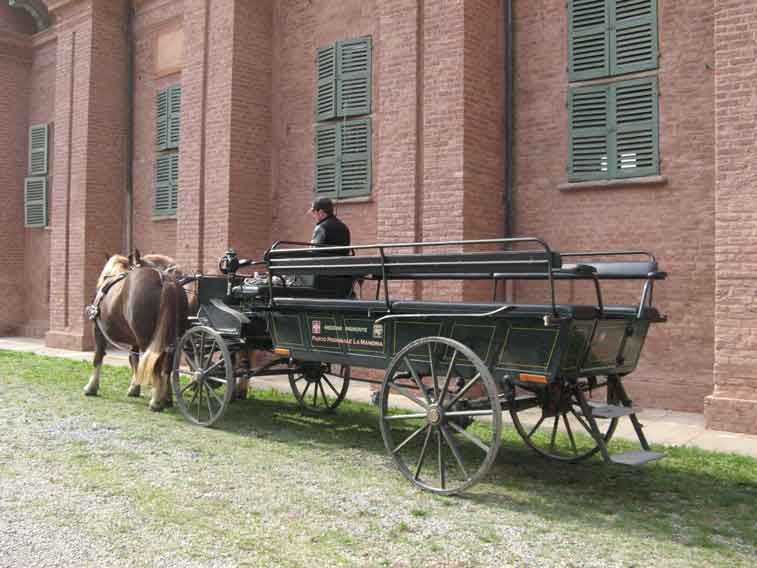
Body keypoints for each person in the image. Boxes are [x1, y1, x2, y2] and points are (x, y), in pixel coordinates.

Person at [308, 197, 354, 297]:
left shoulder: (321, 228)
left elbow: (312, 252)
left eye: (313, 212)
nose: (313, 215)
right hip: (342, 278)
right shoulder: (344, 227)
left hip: (322, 279)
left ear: (320, 212)